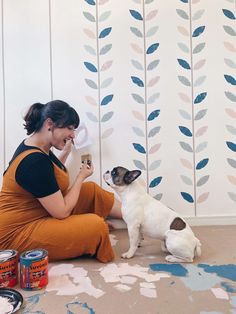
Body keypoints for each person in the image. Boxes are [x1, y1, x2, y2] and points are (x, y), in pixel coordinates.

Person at [0, 100, 122, 263]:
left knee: (91, 190)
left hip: (38, 213)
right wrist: (80, 177)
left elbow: (47, 178)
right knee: (96, 226)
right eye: (69, 128)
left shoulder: (37, 147)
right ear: (49, 124)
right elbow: (61, 212)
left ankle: (140, 216)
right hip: (15, 233)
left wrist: (65, 152)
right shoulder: (34, 161)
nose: (73, 135)